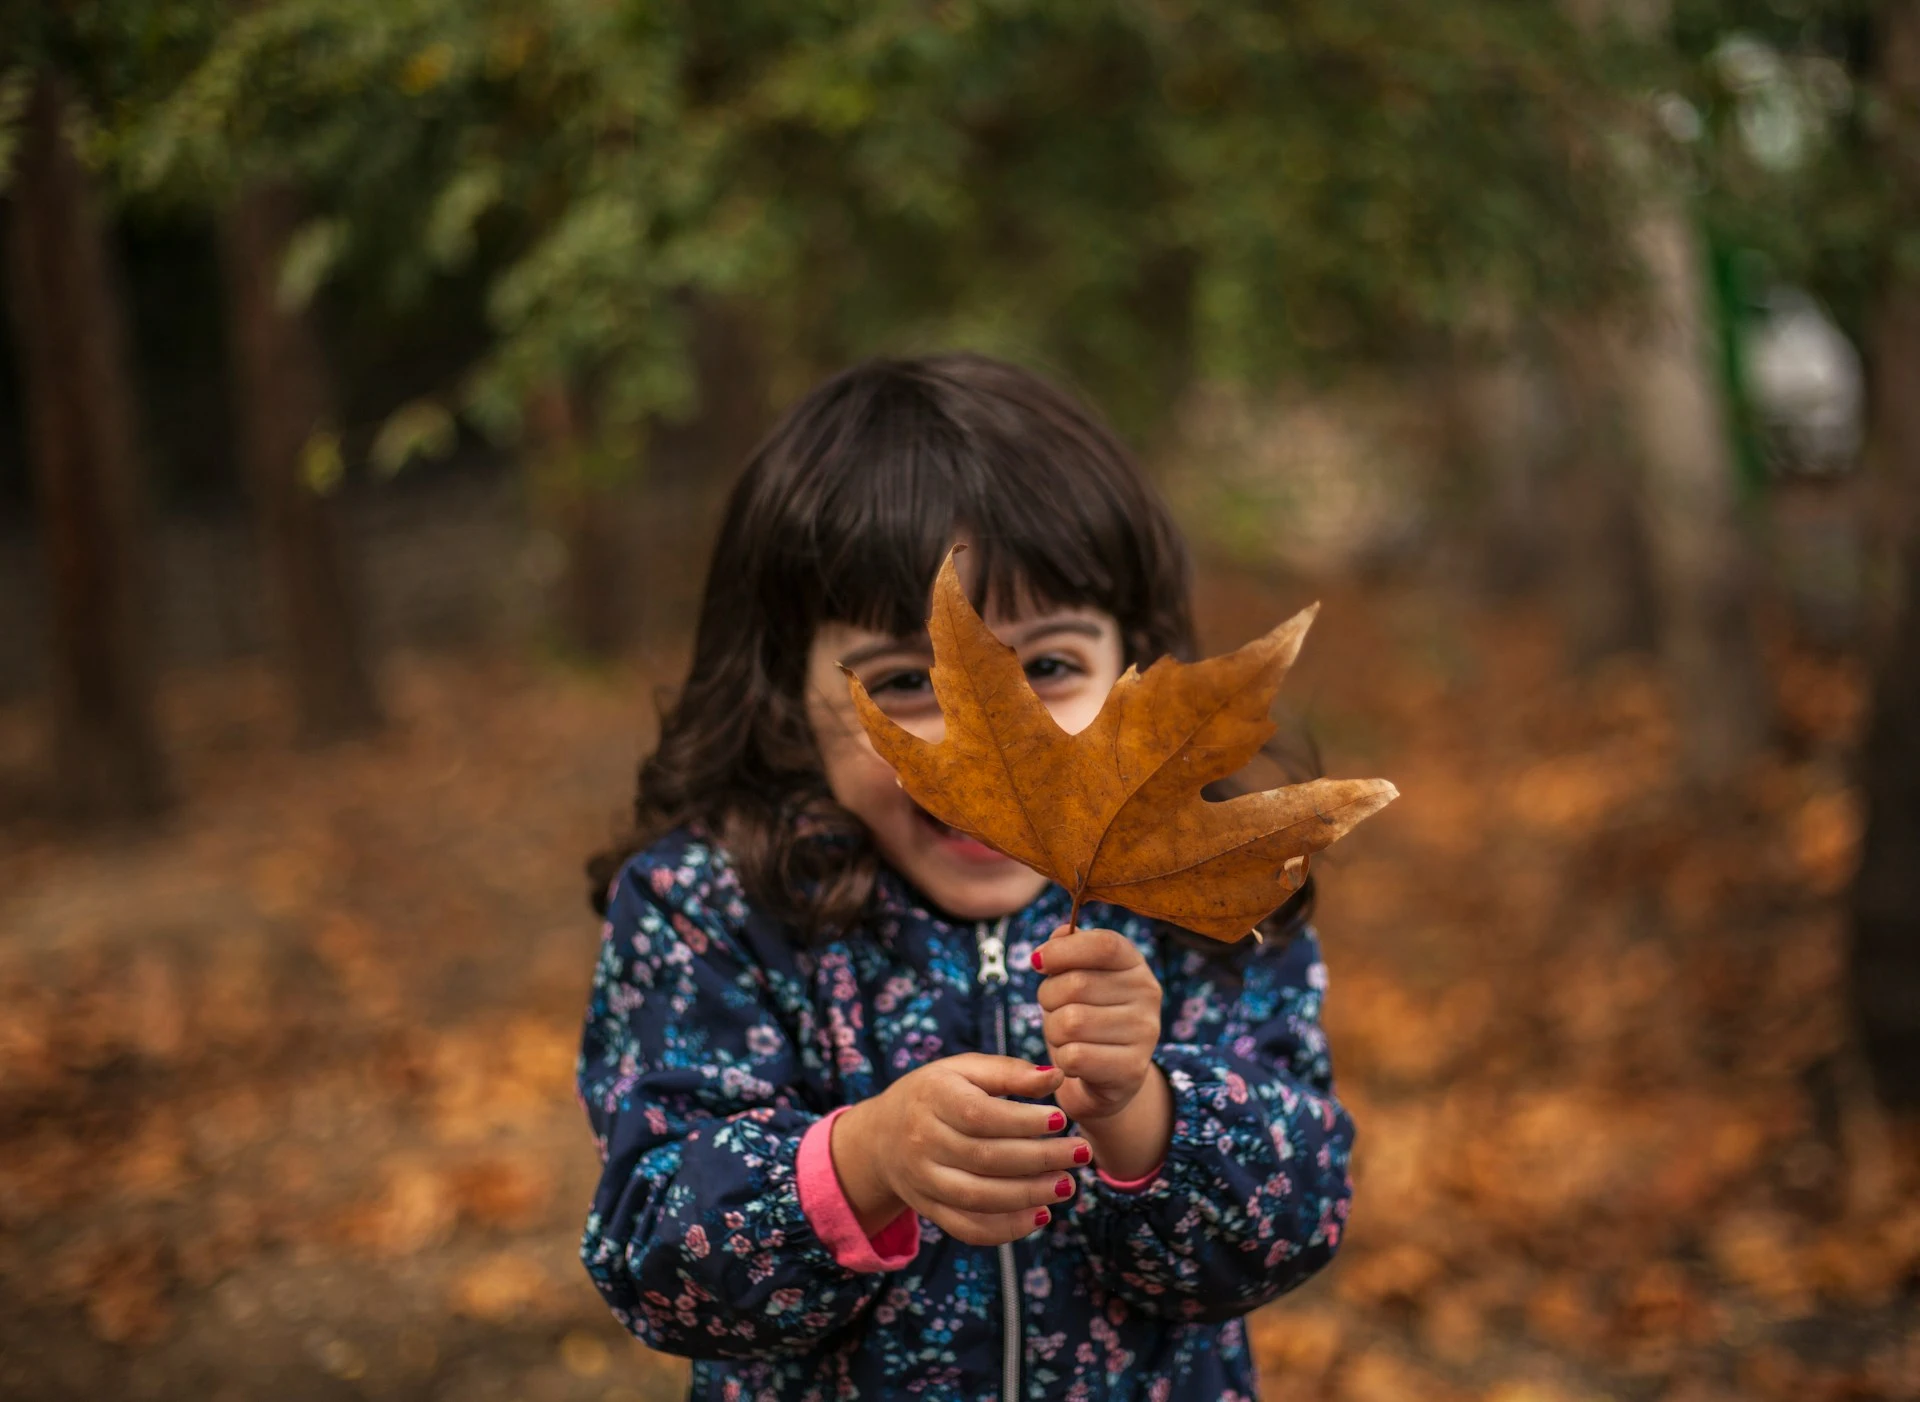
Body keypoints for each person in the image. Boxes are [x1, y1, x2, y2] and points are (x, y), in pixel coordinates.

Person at [576, 353, 1354, 1400]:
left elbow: (1298, 1217)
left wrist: (1141, 1110)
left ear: (1142, 669)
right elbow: (653, 1261)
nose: (999, 739)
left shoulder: (1201, 901)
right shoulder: (713, 910)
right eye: (905, 680)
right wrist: (867, 1161)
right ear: (783, 694)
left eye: (1050, 666)